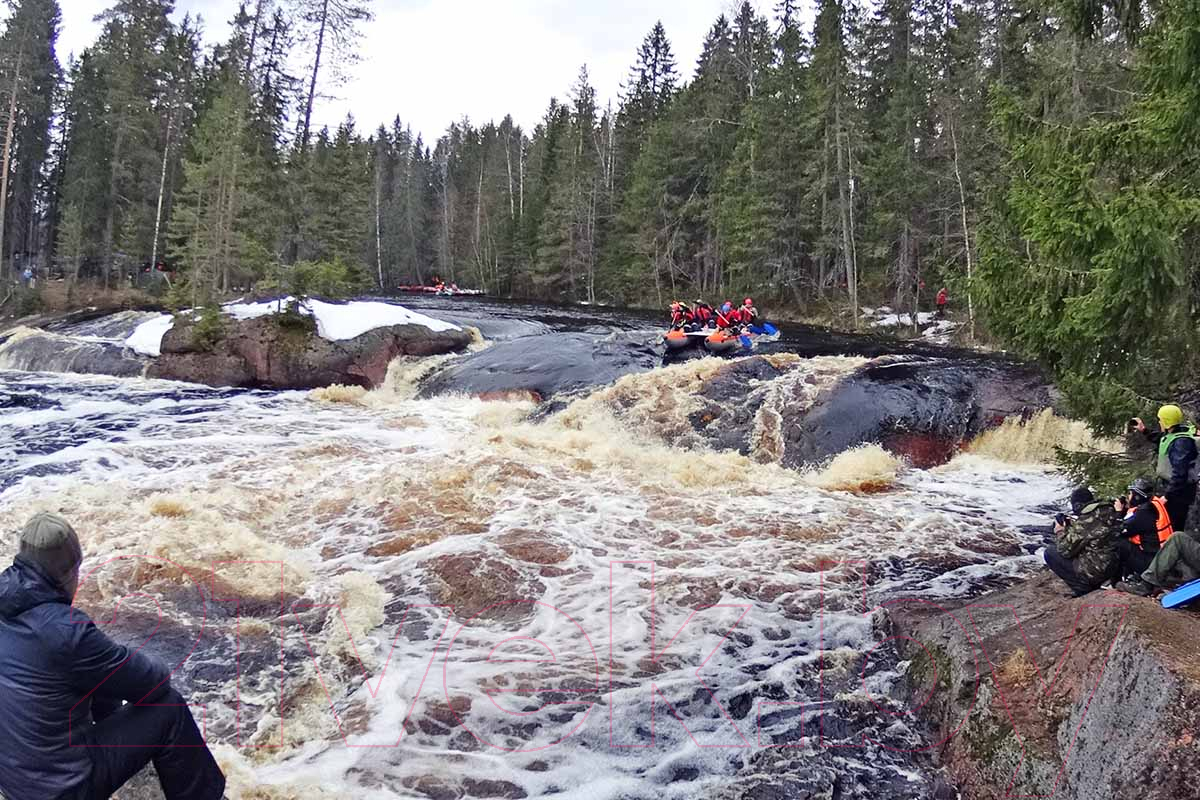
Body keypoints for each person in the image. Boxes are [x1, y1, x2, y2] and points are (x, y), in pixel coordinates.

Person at [0, 513, 226, 800]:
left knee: (95, 680)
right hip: (64, 789)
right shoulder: (66, 632)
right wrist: (115, 654)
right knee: (170, 707)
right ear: (71, 572)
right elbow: (154, 681)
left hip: (14, 784)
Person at [1043, 487, 1120, 596]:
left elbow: (1064, 550)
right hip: (1113, 566)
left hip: (1097, 569)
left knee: (1050, 552)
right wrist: (1072, 527)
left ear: (1077, 505)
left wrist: (1060, 531)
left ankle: (1081, 587)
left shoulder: (1086, 520)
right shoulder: (1107, 511)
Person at [1132, 404, 1199, 531]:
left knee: (1172, 527)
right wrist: (1144, 430)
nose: (1159, 421)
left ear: (1167, 421)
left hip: (1179, 494)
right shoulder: (1176, 433)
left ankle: (1174, 548)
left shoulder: (1181, 443)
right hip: (1174, 490)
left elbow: (1180, 473)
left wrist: (1167, 496)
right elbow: (1162, 439)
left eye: (1161, 419)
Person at [1113, 479, 1174, 581]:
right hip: (1161, 556)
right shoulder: (1154, 504)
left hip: (1152, 564)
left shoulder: (1143, 513)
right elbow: (1133, 523)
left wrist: (1118, 513)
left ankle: (1116, 581)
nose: (1129, 497)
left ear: (1138, 496)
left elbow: (1119, 531)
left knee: (1118, 543)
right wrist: (1124, 511)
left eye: (1131, 493)